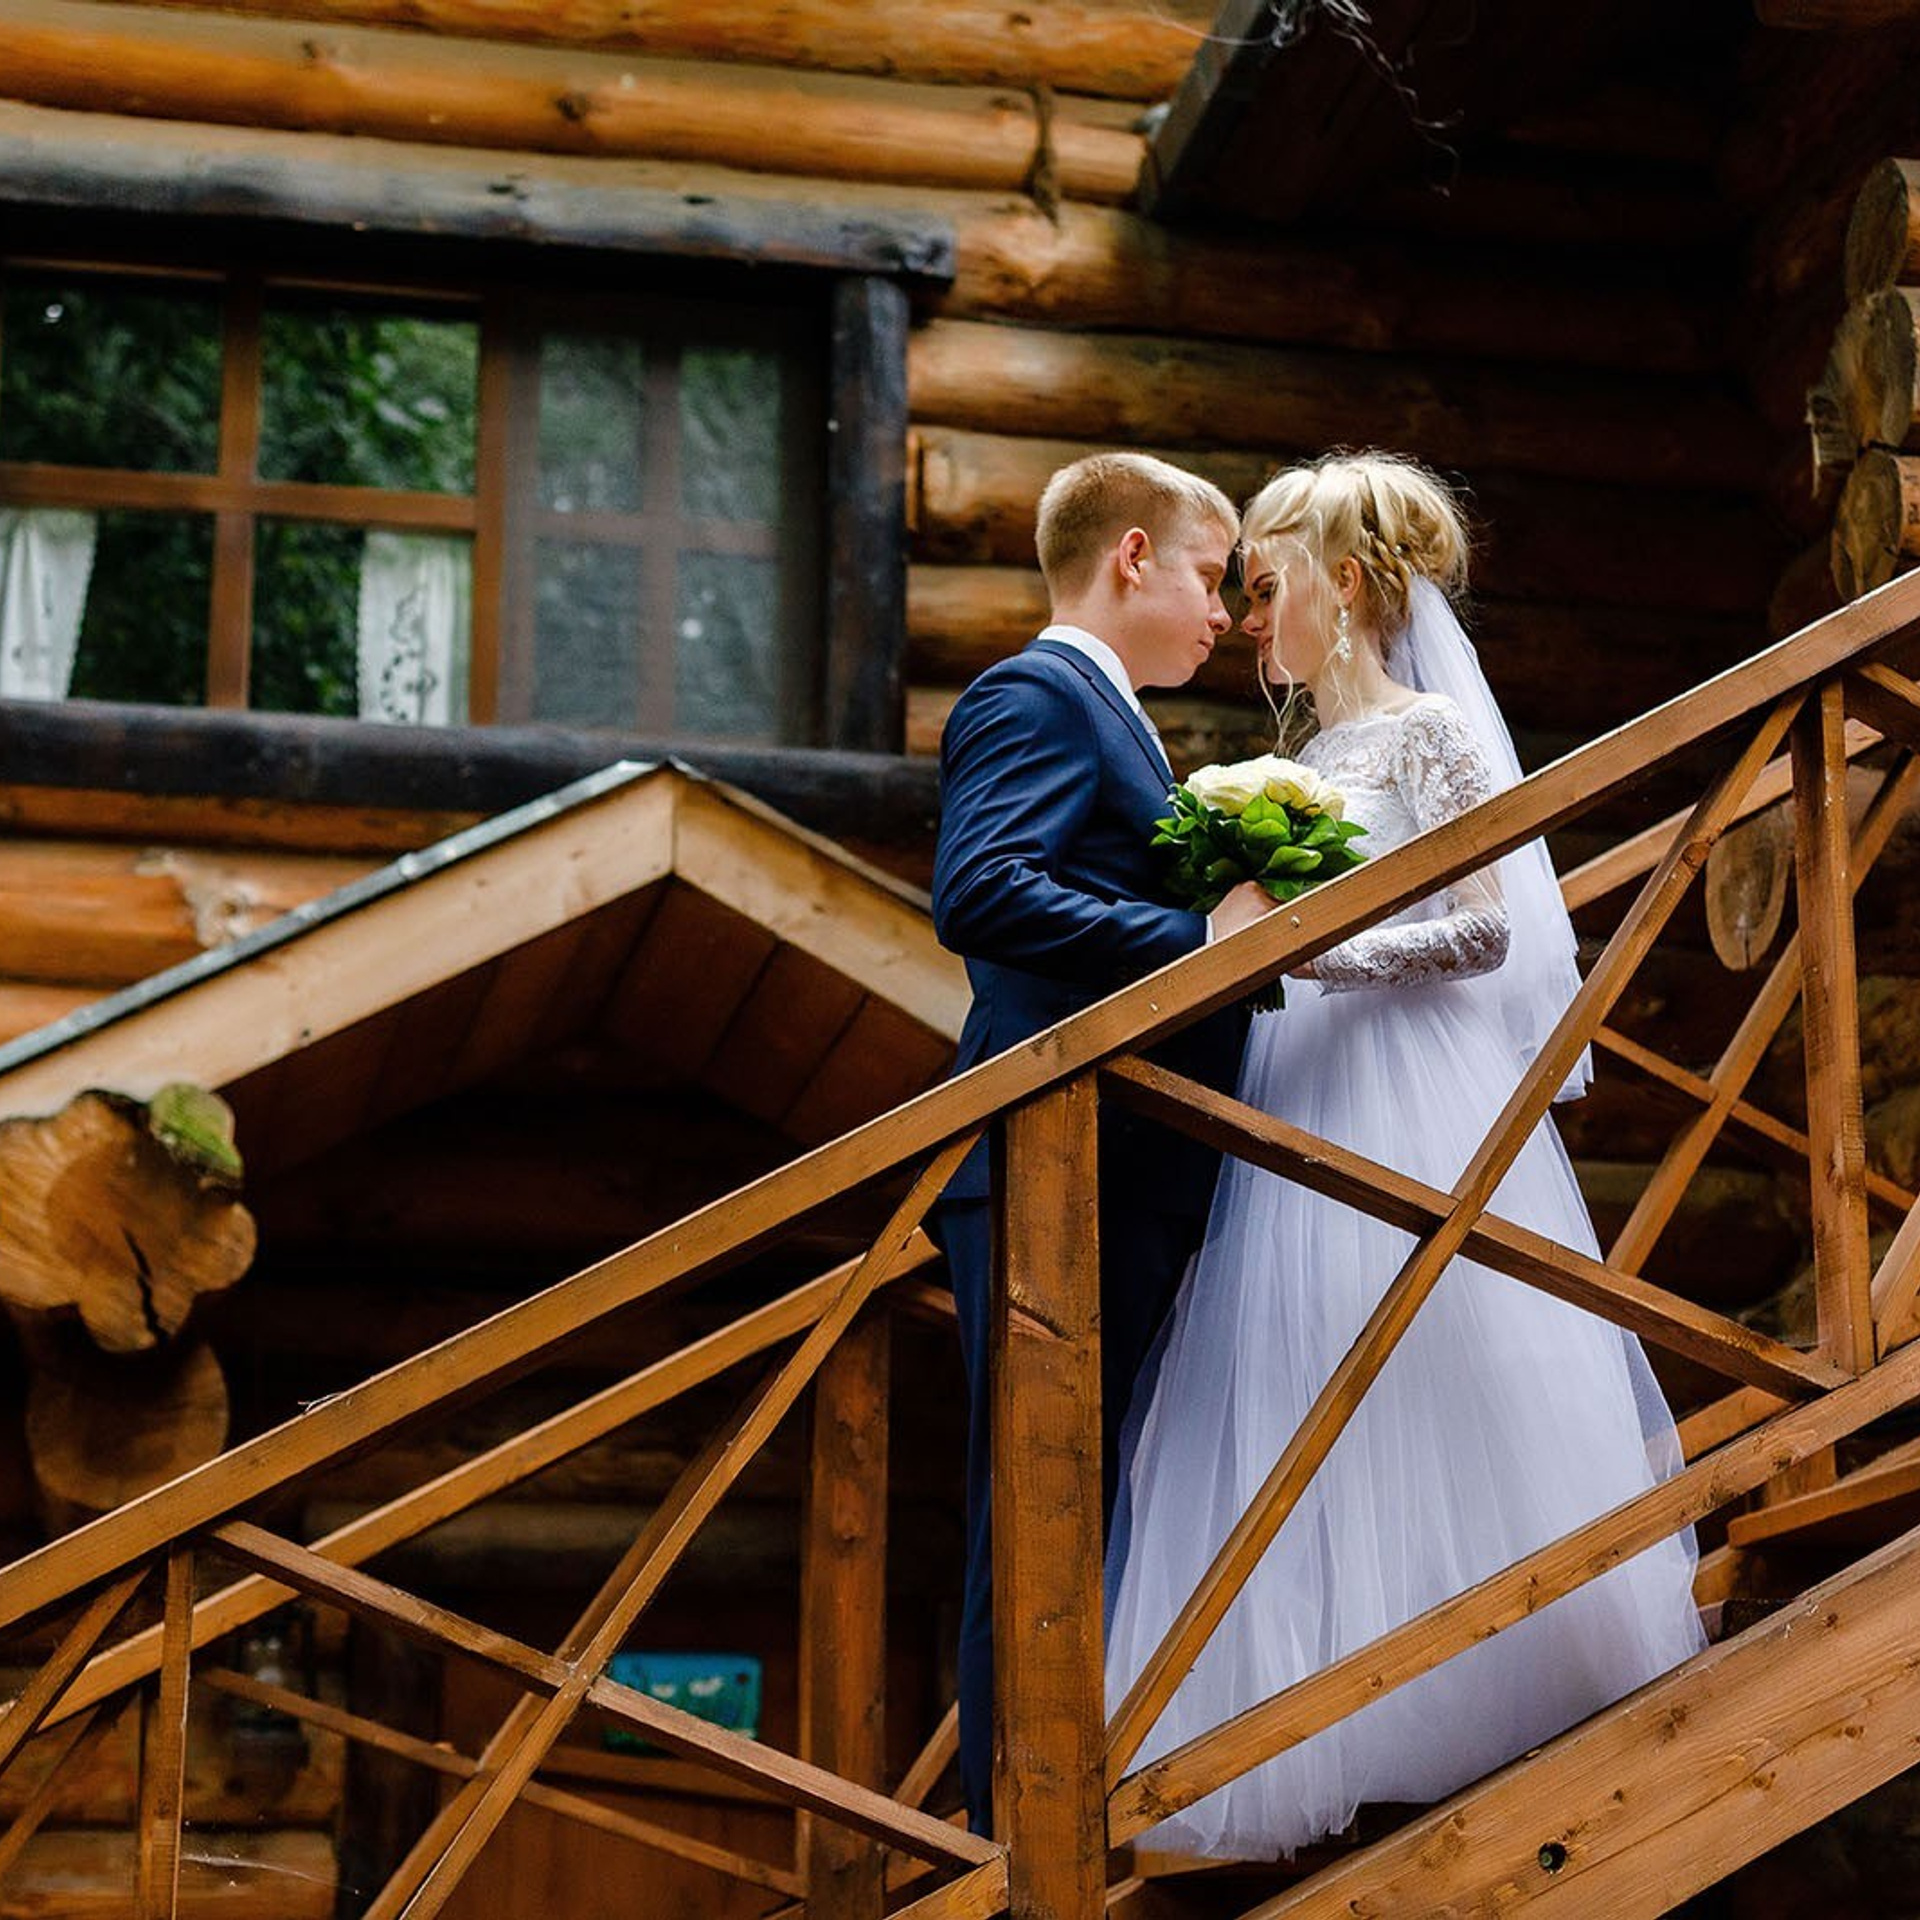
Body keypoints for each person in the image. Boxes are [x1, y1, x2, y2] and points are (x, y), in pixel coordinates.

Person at [1103, 451, 1708, 1860]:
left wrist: (1319, 951)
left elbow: (1491, 929)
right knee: (1298, 1367)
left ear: (1344, 585)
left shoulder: (1428, 731)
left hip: (1408, 1089)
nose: (1254, 620)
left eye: (1269, 590)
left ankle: (1499, 1687)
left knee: (1438, 1351)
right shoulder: (1300, 768)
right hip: (1301, 1091)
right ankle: (1325, 1716)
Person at [930, 451, 1275, 1836]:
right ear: (1131, 556)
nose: (1225, 613)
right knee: (1037, 1510)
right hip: (1054, 1172)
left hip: (1120, 1170)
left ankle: (1065, 1810)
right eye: (1209, 574)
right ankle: (1014, 1845)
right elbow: (983, 889)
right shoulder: (1035, 695)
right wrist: (1199, 939)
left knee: (1091, 1497)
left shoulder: (1115, 720)